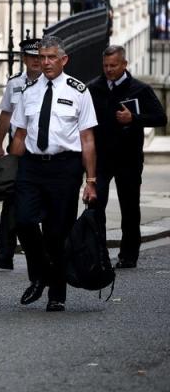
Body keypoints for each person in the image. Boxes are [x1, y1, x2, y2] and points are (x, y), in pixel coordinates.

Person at [9, 36, 97, 312]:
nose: (44, 62)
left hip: (64, 167)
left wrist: (91, 181)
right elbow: (20, 135)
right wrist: (7, 168)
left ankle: (56, 293)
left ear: (63, 60)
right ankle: (40, 274)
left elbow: (87, 139)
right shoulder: (29, 90)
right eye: (41, 57)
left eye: (50, 57)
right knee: (22, 220)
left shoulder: (78, 91)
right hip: (31, 166)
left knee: (57, 232)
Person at [88, 45, 166, 269]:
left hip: (128, 158)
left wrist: (134, 118)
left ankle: (128, 255)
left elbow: (160, 118)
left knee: (129, 207)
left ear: (124, 64)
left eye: (113, 65)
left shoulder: (139, 88)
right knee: (96, 203)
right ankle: (99, 253)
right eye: (105, 66)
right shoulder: (94, 87)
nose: (109, 70)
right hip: (101, 158)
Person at [0, 38, 43, 270]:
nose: (35, 61)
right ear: (24, 58)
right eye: (31, 57)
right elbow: (6, 115)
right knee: (10, 200)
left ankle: (46, 251)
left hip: (41, 150)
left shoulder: (50, 83)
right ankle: (5, 252)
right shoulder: (15, 83)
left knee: (39, 203)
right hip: (18, 149)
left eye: (39, 57)